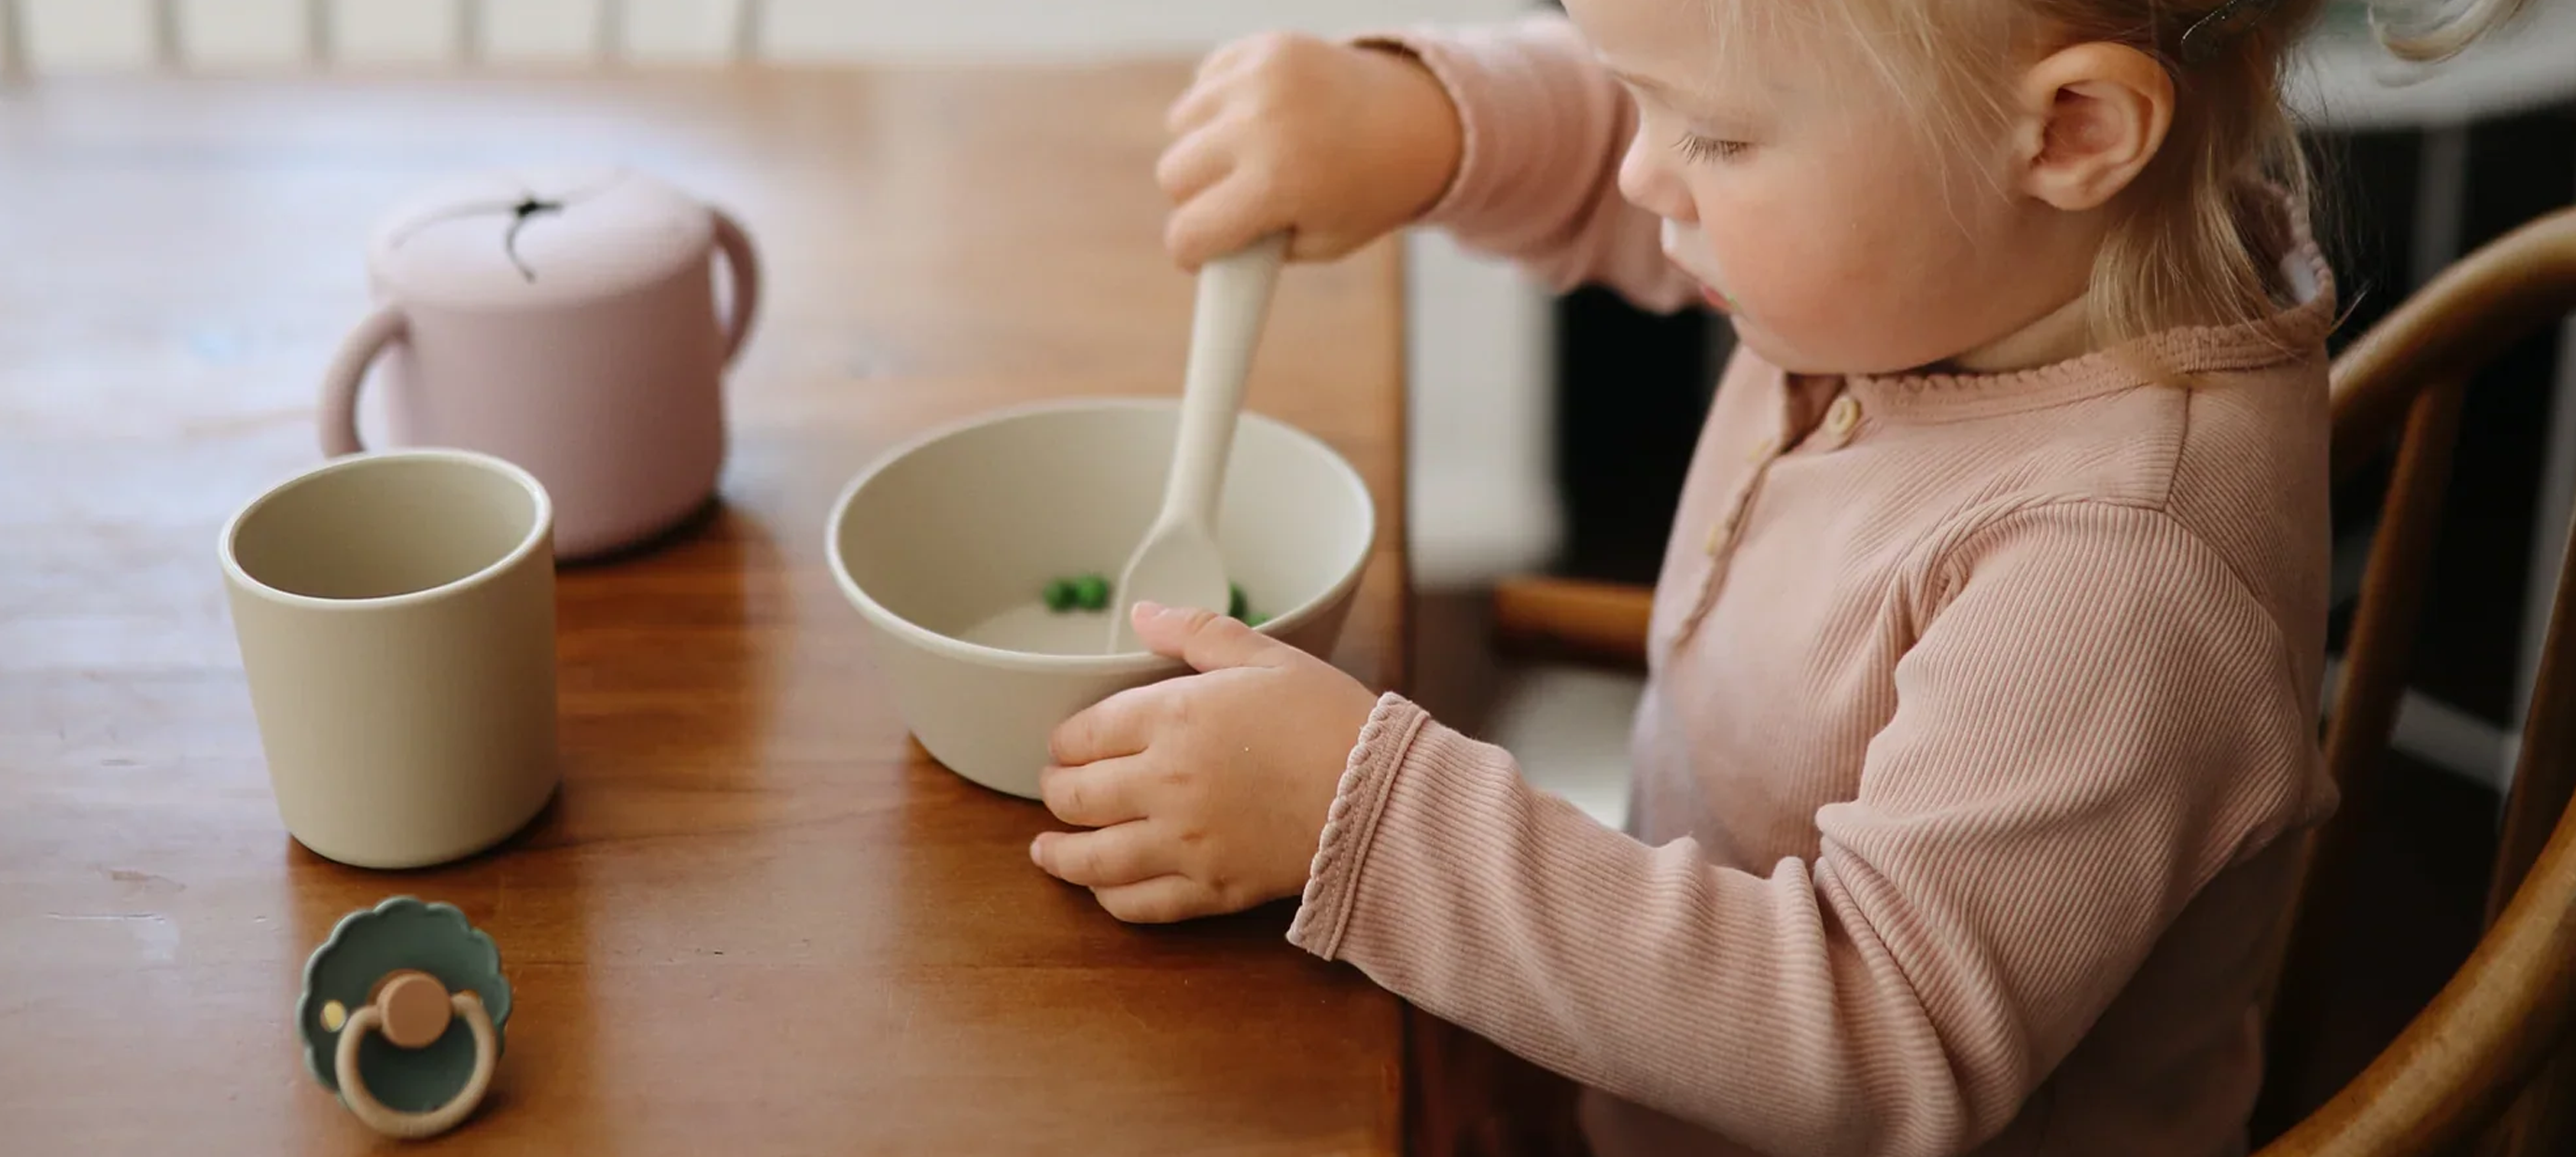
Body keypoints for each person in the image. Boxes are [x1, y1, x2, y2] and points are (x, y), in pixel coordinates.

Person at [1026, 0, 2528, 1152]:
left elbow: (1883, 1045)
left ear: (2071, 133)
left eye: (1715, 140)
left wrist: (1380, 825)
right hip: (1653, 1076)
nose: (1641, 172)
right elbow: (1696, 161)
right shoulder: (1965, 255)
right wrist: (1424, 120)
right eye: (1634, 97)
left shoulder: (2117, 574)